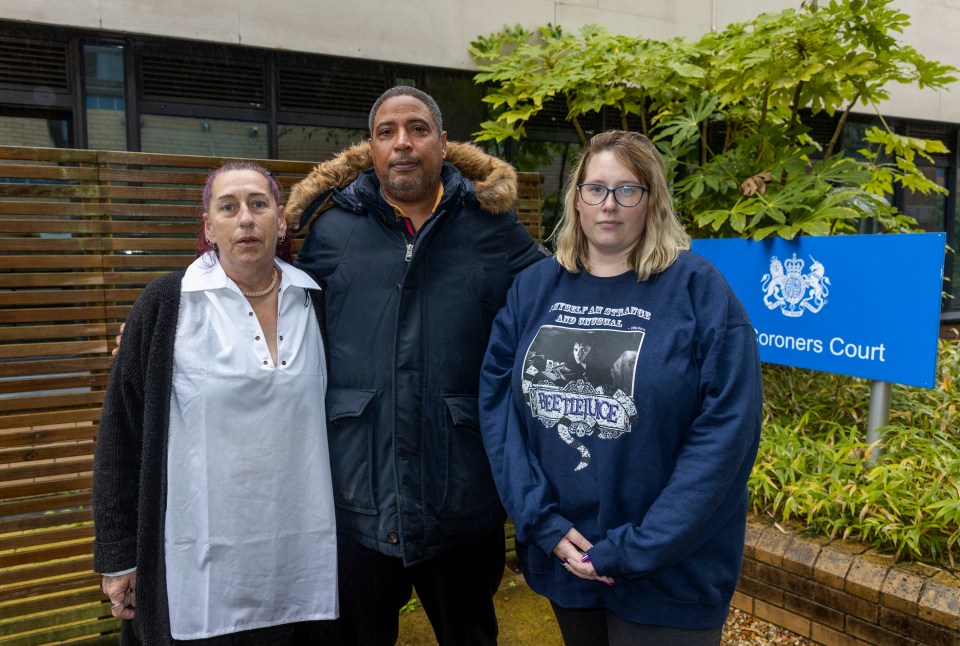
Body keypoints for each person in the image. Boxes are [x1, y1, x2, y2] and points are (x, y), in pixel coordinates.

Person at [284, 85, 548, 645]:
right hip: (358, 497)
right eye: (387, 132)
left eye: (418, 129)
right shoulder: (333, 231)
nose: (402, 143)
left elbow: (560, 301)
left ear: (443, 143)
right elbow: (272, 306)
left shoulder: (491, 226)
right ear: (371, 148)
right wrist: (168, 333)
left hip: (462, 494)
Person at [478, 130, 762, 645]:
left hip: (669, 573)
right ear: (577, 200)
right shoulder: (536, 288)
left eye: (627, 190)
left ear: (652, 201)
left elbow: (727, 433)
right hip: (565, 556)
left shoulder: (698, 290)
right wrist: (542, 523)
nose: (609, 205)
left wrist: (637, 547)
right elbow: (498, 407)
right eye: (595, 189)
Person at [93, 162, 338, 645]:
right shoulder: (168, 305)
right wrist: (118, 557)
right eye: (228, 207)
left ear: (282, 220)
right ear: (209, 226)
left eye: (258, 204)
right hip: (196, 574)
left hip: (299, 565)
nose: (245, 218)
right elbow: (120, 434)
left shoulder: (317, 301)